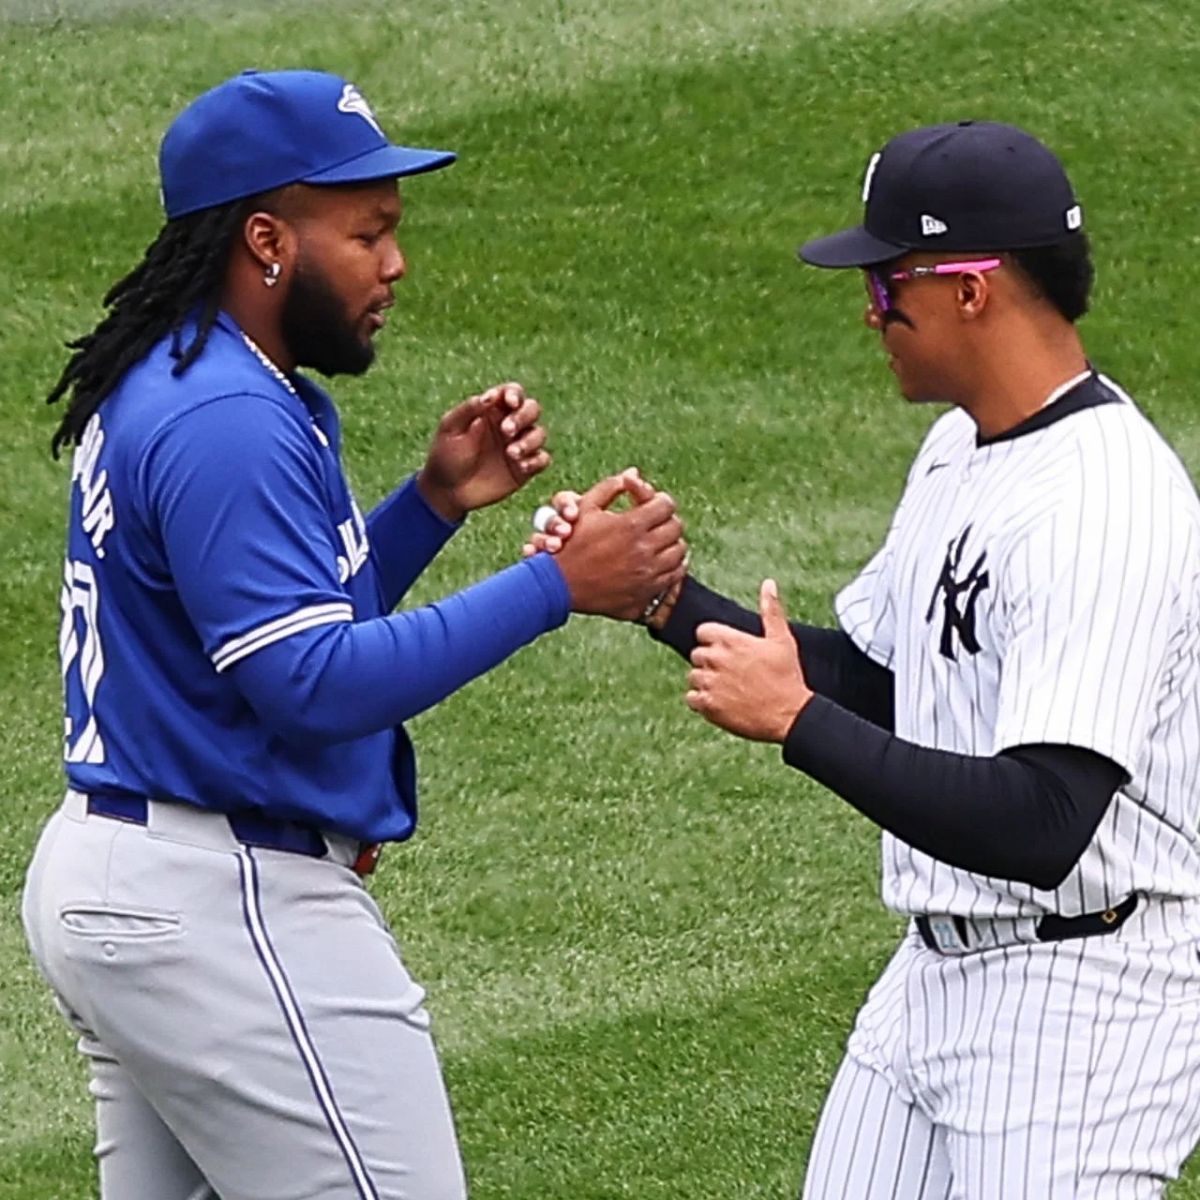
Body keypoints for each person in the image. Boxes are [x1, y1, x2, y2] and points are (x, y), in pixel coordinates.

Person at [21, 69, 686, 1200]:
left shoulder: (184, 379)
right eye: (367, 233)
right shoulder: (226, 417)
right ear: (267, 240)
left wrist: (429, 505)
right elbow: (310, 684)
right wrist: (557, 589)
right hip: (221, 905)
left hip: (131, 870)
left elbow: (258, 632)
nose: (395, 264)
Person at [529, 122, 1200, 1197]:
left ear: (972, 289)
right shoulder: (959, 448)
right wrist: (656, 597)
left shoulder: (1105, 503)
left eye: (890, 285)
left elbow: (1044, 822)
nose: (870, 310)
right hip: (930, 979)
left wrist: (795, 723)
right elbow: (896, 689)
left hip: (1089, 995)